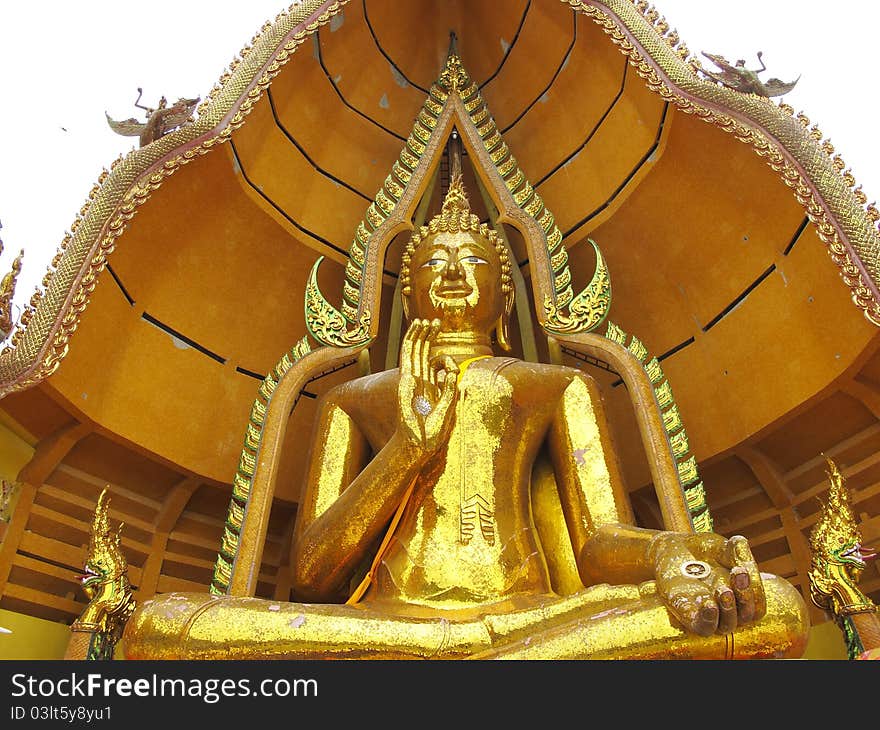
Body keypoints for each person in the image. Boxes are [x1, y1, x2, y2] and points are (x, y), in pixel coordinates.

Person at [120, 175, 809, 659]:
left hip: (533, 621)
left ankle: (469, 656)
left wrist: (669, 551)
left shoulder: (554, 385)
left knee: (775, 606)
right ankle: (465, 658)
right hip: (390, 630)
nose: (452, 271)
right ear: (408, 292)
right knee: (159, 622)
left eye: (473, 259)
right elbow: (311, 575)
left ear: (504, 300)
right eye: (435, 262)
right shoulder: (354, 401)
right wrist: (408, 452)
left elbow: (599, 546)